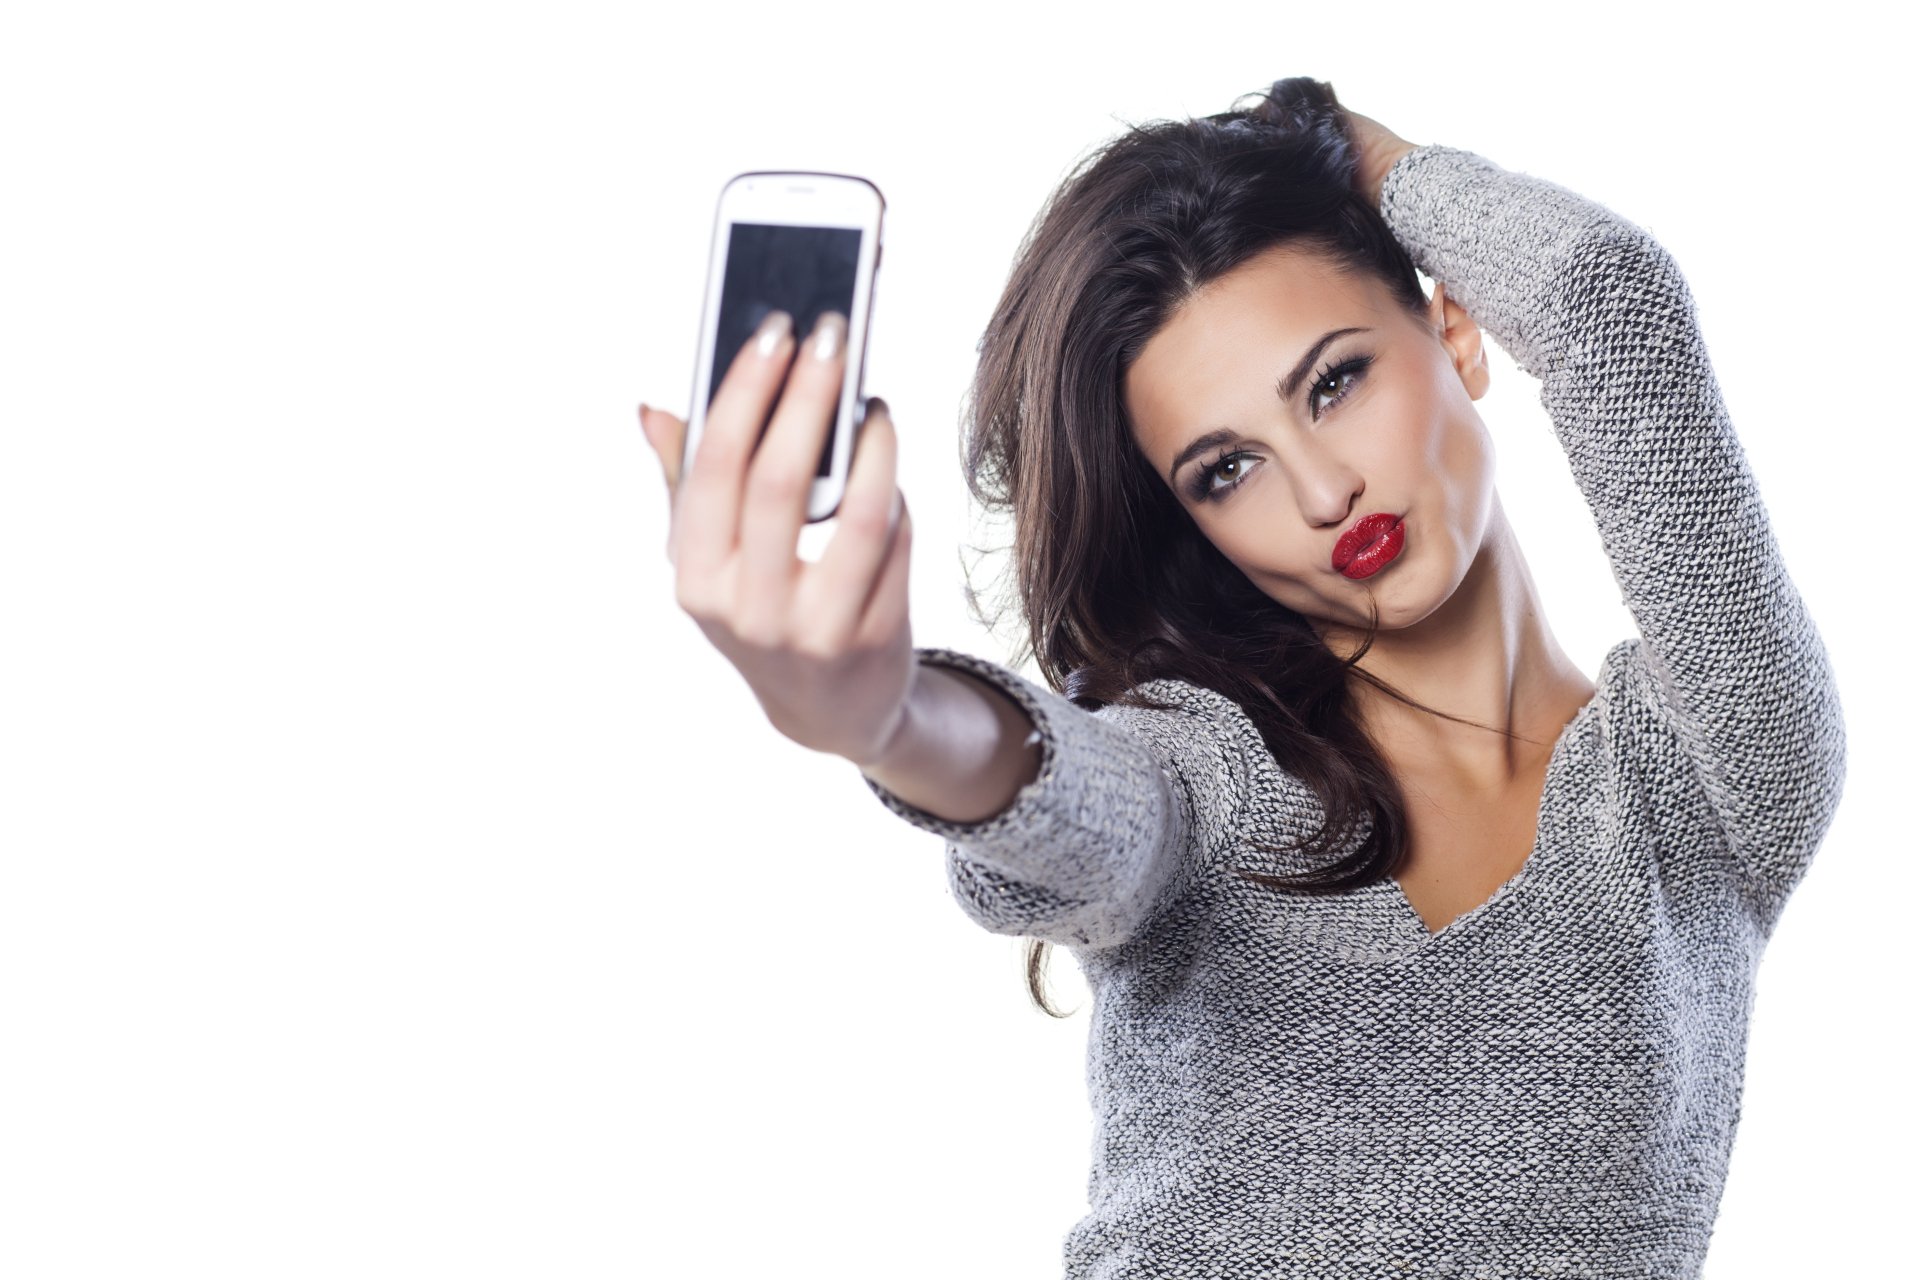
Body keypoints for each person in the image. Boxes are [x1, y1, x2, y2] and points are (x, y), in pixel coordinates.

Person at [639, 76, 1846, 1279]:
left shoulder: (1711, 778)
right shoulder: (1210, 761)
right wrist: (888, 712)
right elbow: (1077, 803)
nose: (1324, 492)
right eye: (1227, 469)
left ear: (1456, 327)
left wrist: (1349, 146)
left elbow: (1606, 297)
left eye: (1336, 382)